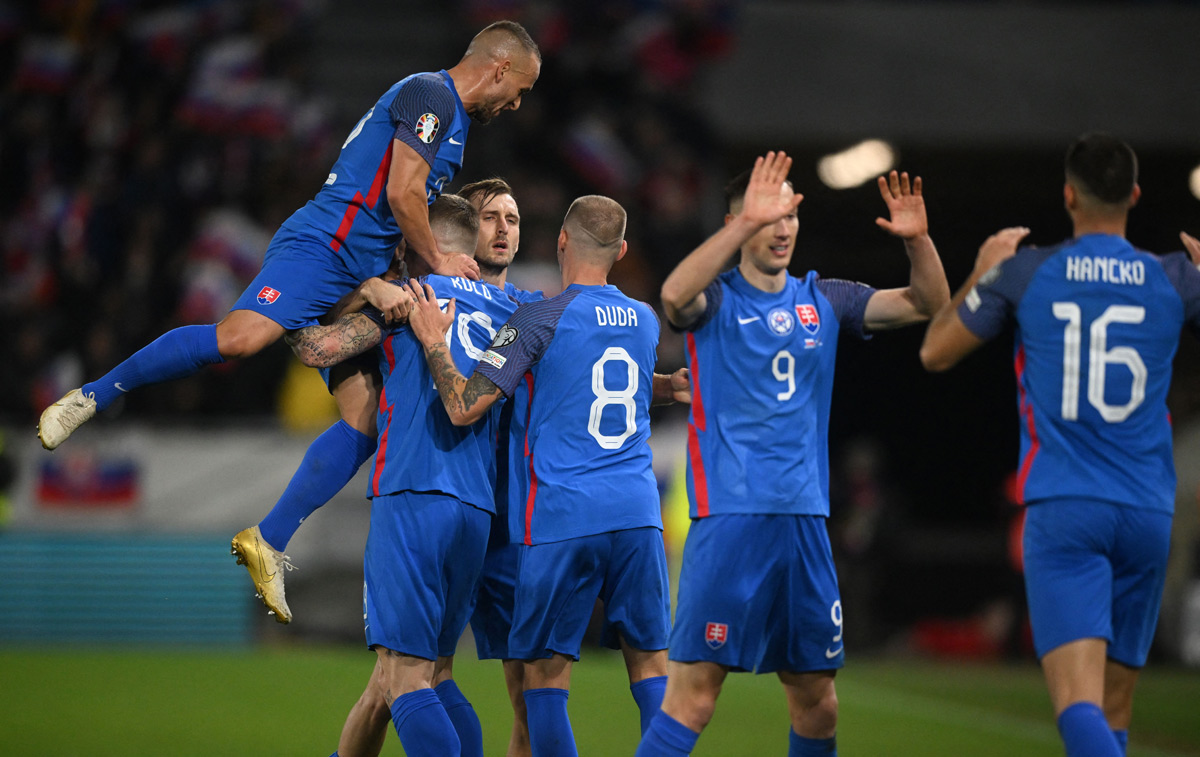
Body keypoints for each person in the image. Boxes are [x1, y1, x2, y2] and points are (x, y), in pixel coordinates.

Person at [36, 19, 540, 623]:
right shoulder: (431, 95)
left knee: (365, 419)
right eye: (520, 90)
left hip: (366, 266)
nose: (516, 104)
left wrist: (395, 278)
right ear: (501, 68)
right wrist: (441, 267)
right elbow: (404, 196)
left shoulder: (451, 127)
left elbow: (403, 206)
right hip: (323, 249)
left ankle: (268, 540)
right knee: (241, 339)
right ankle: (92, 396)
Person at [636, 152, 949, 757]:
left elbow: (928, 303)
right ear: (742, 220)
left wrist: (919, 241)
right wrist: (741, 224)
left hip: (804, 526)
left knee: (818, 702)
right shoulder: (719, 300)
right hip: (730, 521)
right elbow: (674, 296)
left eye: (790, 215)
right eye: (770, 215)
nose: (782, 228)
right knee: (694, 699)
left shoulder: (822, 300)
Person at [920, 133, 1200, 757]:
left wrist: (982, 268)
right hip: (1148, 513)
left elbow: (935, 350)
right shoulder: (1174, 277)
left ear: (1068, 196)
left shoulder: (1028, 272)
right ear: (1133, 194)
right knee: (1114, 707)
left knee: (1078, 708)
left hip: (1067, 508)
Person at [405, 195, 686, 756]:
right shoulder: (646, 319)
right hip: (636, 517)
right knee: (652, 669)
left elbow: (465, 406)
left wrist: (434, 339)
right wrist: (664, 385)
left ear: (560, 240)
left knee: (543, 680)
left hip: (562, 519)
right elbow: (597, 381)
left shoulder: (538, 318)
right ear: (622, 251)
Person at [288, 192, 522, 757]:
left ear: (423, 246)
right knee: (433, 673)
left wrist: (333, 300)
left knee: (406, 681)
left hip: (413, 494)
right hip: (475, 510)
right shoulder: (508, 312)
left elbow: (316, 348)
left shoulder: (411, 300)